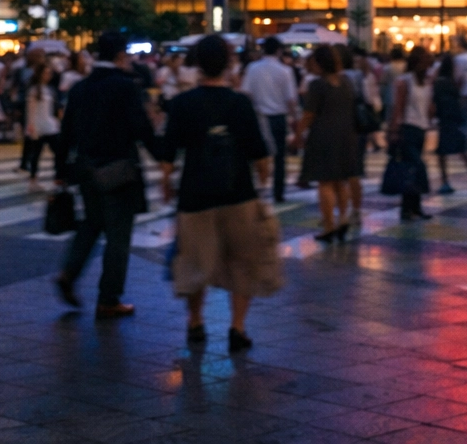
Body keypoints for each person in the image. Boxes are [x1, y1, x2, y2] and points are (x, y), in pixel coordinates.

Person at [158, 34, 279, 350]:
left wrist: (166, 183)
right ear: (229, 64)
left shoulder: (183, 103)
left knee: (196, 261)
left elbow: (169, 153)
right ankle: (237, 328)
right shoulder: (240, 104)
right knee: (243, 261)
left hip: (195, 195)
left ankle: (195, 322)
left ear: (197, 64)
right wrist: (263, 183)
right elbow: (260, 154)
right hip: (239, 193)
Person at [56, 30, 164, 319]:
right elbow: (140, 127)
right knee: (118, 235)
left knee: (91, 223)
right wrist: (162, 156)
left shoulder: (80, 88)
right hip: (117, 168)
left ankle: (69, 271)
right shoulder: (124, 87)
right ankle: (108, 298)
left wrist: (60, 171)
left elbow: (66, 131)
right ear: (119, 55)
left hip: (85, 168)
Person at [297, 44, 364, 239]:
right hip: (346, 136)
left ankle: (328, 226)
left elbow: (309, 114)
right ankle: (343, 218)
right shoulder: (346, 82)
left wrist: (298, 135)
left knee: (325, 182)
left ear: (319, 63)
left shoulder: (317, 85)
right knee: (341, 181)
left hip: (323, 137)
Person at [240, 36, 299, 203]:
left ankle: (254, 189)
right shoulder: (285, 71)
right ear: (279, 51)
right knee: (280, 157)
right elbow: (291, 99)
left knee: (254, 155)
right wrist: (294, 118)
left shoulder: (252, 68)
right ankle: (278, 192)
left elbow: (246, 93)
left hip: (257, 117)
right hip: (278, 117)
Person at [389, 45, 434, 220]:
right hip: (408, 128)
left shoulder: (427, 81)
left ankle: (414, 207)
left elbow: (429, 105)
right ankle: (407, 208)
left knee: (413, 169)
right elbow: (398, 107)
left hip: (421, 128)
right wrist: (394, 129)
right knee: (414, 167)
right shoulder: (404, 81)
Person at [432, 55, 467, 193]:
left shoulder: (440, 82)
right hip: (454, 118)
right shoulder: (452, 82)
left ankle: (445, 181)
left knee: (443, 151)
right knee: (459, 147)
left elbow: (436, 100)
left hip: (446, 119)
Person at [23, 62, 62, 186]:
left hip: (50, 126)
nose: (48, 75)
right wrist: (31, 128)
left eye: (49, 73)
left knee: (57, 152)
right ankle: (33, 177)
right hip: (39, 127)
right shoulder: (34, 90)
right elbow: (31, 111)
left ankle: (58, 175)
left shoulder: (49, 89)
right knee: (37, 154)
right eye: (46, 73)